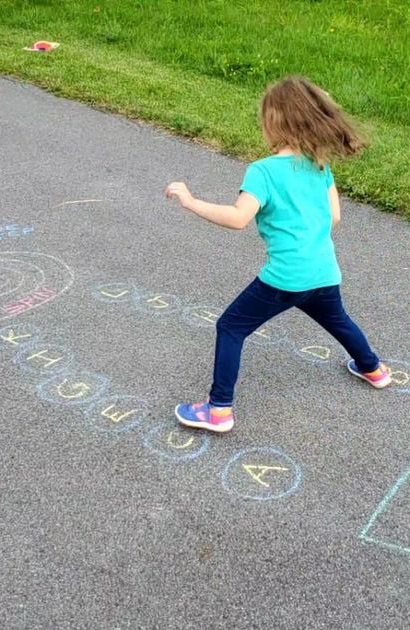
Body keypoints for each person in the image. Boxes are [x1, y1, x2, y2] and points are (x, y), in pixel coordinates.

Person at [164, 75, 392, 434]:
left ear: (275, 123)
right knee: (338, 320)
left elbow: (239, 218)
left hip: (286, 277)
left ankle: (218, 409)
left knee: (231, 326)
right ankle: (373, 369)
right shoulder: (319, 165)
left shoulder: (263, 171)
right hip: (323, 270)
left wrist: (191, 202)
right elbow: (334, 217)